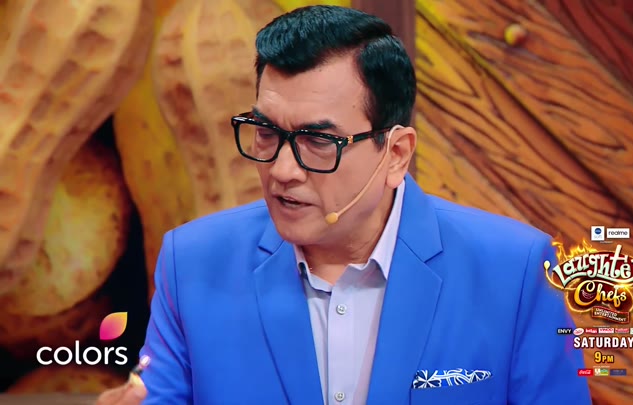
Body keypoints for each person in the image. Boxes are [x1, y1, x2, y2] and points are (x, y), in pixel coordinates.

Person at [97, 5, 591, 405]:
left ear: (395, 154)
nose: (282, 170)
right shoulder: (192, 262)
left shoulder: (515, 270)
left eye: (317, 141)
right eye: (266, 132)